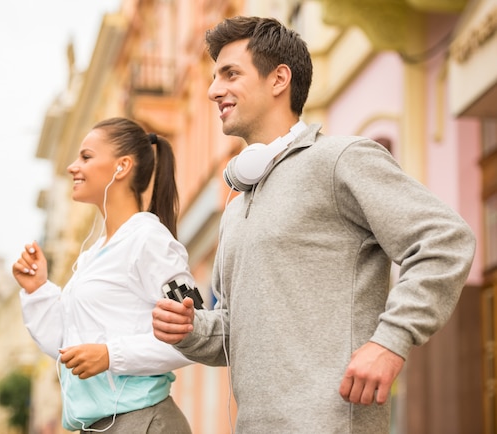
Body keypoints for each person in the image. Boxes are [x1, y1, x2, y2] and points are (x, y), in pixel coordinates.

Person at [152, 16, 476, 433]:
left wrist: (390, 341)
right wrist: (190, 329)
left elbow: (445, 241)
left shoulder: (341, 160)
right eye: (214, 77)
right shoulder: (237, 206)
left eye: (230, 74)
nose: (214, 90)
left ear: (279, 79)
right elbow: (234, 329)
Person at [13, 117, 194, 433]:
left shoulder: (149, 239)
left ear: (121, 167)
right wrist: (38, 290)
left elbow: (192, 335)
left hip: (145, 422)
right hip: (100, 426)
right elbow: (67, 345)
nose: (72, 167)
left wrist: (112, 355)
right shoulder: (93, 254)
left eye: (85, 157)